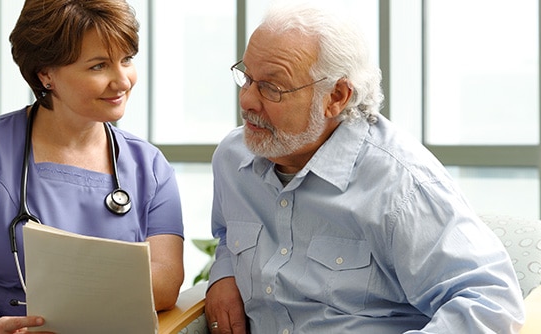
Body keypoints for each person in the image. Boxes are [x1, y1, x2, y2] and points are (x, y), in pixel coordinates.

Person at [205, 2, 525, 333]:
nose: (246, 101)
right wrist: (225, 273)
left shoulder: (401, 183)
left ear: (337, 96)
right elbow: (229, 235)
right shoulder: (233, 159)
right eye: (247, 78)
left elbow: (489, 301)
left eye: (272, 88)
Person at [0, 0, 184, 332]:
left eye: (126, 60)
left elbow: (166, 282)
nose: (122, 81)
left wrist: (74, 308)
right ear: (46, 74)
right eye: (98, 66)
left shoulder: (150, 168)